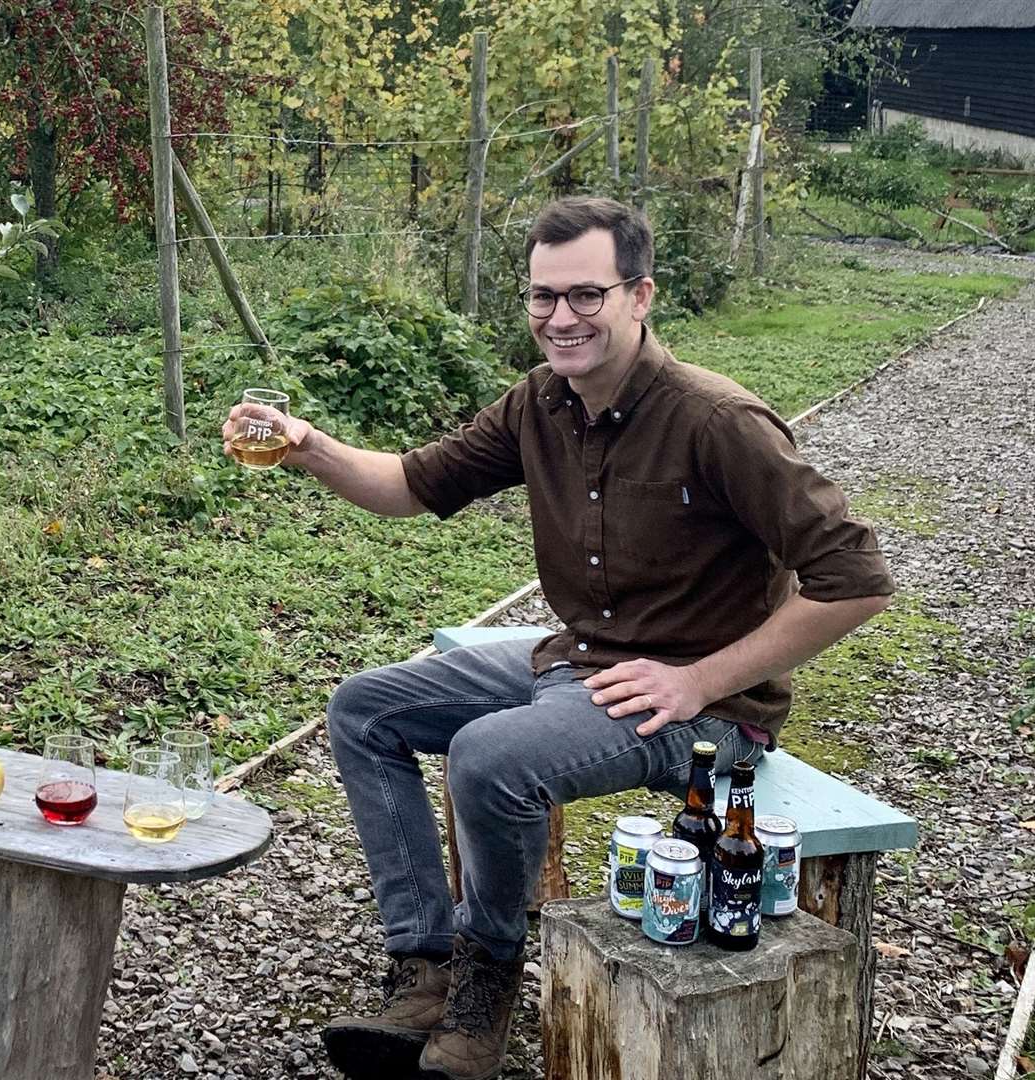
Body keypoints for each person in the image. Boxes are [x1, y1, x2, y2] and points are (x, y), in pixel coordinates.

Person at [223, 197, 894, 1080]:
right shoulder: (541, 403)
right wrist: (308, 445)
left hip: (705, 711)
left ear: (640, 295)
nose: (559, 317)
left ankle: (483, 991)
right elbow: (410, 486)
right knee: (365, 710)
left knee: (491, 757)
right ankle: (422, 967)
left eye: (586, 294)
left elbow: (856, 580)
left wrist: (700, 682)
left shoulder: (718, 423)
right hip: (582, 661)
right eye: (543, 297)